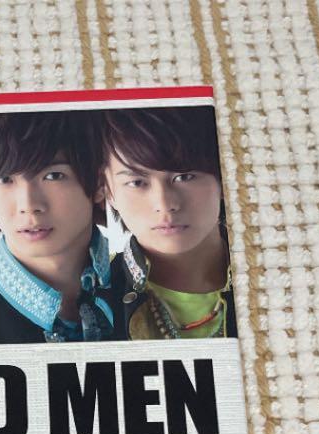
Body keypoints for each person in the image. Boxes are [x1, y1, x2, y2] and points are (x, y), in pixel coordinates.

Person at [99, 106, 236, 339]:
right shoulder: (94, 299)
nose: (164, 203)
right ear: (108, 190)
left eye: (184, 176)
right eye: (137, 182)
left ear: (222, 177)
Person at [0, 111, 116, 344]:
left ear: (99, 183)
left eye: (53, 176)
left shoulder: (144, 286)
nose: (28, 205)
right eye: (5, 179)